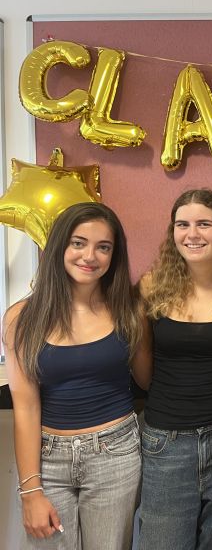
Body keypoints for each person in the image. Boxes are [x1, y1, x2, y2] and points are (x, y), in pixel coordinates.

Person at [3, 202, 145, 549]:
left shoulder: (129, 310)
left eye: (103, 247)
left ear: (114, 255)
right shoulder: (21, 318)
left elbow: (148, 379)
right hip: (48, 459)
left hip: (116, 453)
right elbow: (25, 408)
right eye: (78, 243)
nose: (90, 256)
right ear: (59, 247)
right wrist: (31, 490)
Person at [138, 189, 212, 550]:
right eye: (182, 225)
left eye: (204, 224)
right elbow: (143, 371)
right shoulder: (151, 287)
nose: (192, 234)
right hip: (166, 443)